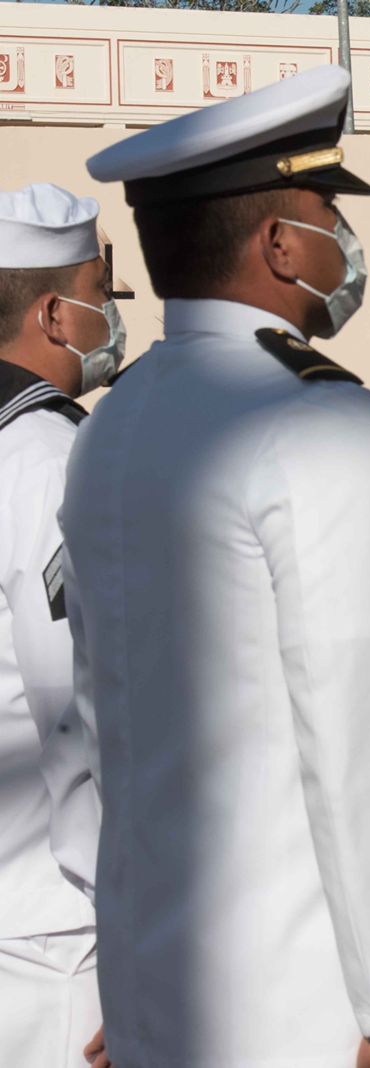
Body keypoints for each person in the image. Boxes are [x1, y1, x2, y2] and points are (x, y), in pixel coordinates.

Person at [75, 65, 370, 1066]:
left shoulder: (117, 421)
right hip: (303, 998)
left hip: (162, 978)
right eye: (328, 212)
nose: (345, 239)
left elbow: (106, 725)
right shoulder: (319, 418)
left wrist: (127, 964)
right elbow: (360, 734)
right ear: (282, 245)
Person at [0, 183, 113, 1068]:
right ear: (55, 313)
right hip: (51, 929)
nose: (109, 314)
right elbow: (81, 716)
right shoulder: (49, 458)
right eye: (101, 293)